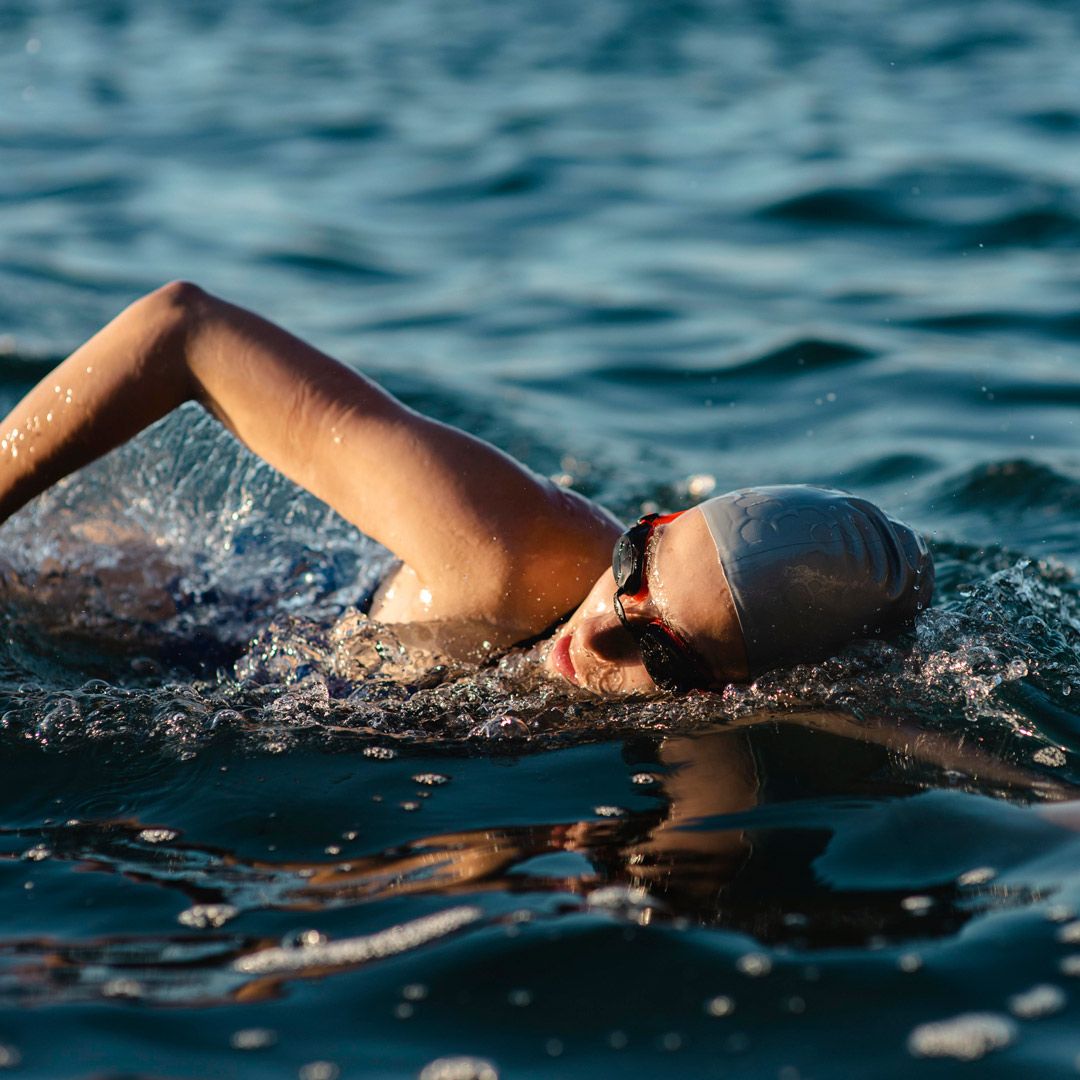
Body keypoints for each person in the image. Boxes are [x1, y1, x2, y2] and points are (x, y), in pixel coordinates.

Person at [0, 282, 933, 695]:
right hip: (196, 615)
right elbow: (181, 329)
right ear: (656, 523)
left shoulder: (773, 690)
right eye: (634, 562)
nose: (597, 630)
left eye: (669, 658)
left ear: (738, 691)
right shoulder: (509, 554)